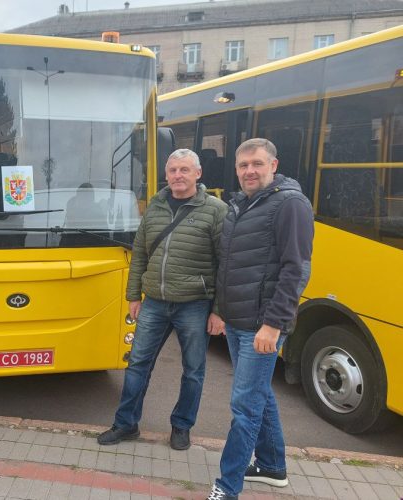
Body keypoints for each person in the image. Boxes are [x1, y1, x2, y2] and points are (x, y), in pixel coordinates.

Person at [97, 149, 227, 450]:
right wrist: (133, 295)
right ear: (166, 174)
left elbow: (226, 264)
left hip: (194, 303)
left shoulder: (216, 210)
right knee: (138, 364)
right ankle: (126, 424)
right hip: (154, 301)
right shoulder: (155, 206)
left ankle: (182, 427)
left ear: (198, 173)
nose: (178, 176)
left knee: (193, 370)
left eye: (184, 170)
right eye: (173, 170)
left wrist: (219, 311)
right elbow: (140, 252)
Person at [206, 139, 313, 500]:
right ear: (235, 169)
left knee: (245, 407)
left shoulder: (290, 204)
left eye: (257, 164)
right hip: (238, 322)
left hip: (261, 326)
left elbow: (295, 269)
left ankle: (227, 486)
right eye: (243, 165)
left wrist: (273, 325)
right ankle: (272, 466)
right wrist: (221, 310)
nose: (249, 171)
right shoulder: (241, 205)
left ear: (273, 165)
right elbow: (229, 266)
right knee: (260, 395)